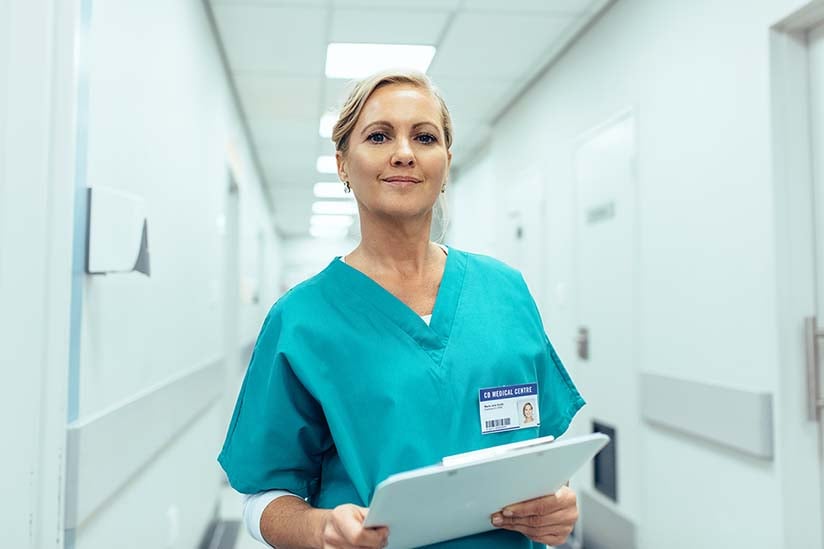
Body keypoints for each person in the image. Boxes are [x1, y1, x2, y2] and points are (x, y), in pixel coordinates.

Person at [218, 69, 586, 549]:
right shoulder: (301, 318)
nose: (405, 152)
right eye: (378, 135)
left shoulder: (505, 291)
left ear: (446, 162)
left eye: (425, 136)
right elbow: (263, 495)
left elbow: (538, 457)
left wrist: (557, 504)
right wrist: (321, 530)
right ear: (343, 163)